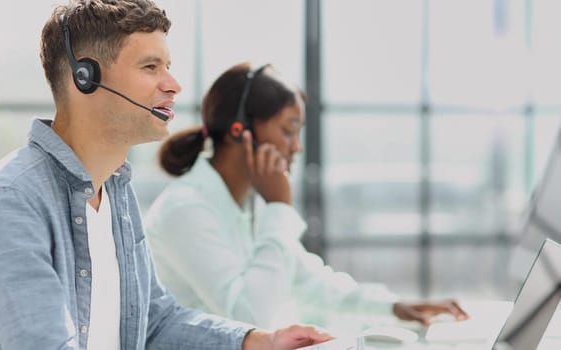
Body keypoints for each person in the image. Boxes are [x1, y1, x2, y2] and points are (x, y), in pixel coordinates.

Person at [0, 1, 334, 349]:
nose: (173, 84)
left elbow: (155, 320)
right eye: (151, 67)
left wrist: (260, 341)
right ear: (86, 76)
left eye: (168, 66)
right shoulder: (12, 200)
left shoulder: (115, 191)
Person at [144, 62, 470, 330]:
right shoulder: (186, 209)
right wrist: (279, 207)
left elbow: (308, 280)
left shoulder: (249, 205)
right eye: (288, 130)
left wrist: (395, 307)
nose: (297, 147)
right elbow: (249, 317)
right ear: (239, 129)